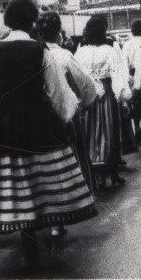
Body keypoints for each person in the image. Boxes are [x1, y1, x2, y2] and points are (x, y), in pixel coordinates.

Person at [0, 0, 97, 269]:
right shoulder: (41, 51)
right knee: (40, 178)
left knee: (16, 182)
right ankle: (37, 236)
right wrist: (65, 116)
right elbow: (58, 93)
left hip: (5, 124)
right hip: (38, 121)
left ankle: (26, 239)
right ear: (31, 22)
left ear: (8, 21)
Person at [36, 11, 98, 200]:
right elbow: (85, 84)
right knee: (73, 154)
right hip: (65, 111)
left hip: (39, 115)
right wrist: (83, 101)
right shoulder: (64, 55)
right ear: (58, 33)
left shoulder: (32, 54)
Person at [74, 15, 131, 187]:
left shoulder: (80, 52)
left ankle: (94, 175)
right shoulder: (109, 51)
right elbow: (117, 77)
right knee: (109, 133)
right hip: (106, 97)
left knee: (89, 134)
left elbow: (76, 77)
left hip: (87, 100)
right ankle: (112, 174)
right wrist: (123, 99)